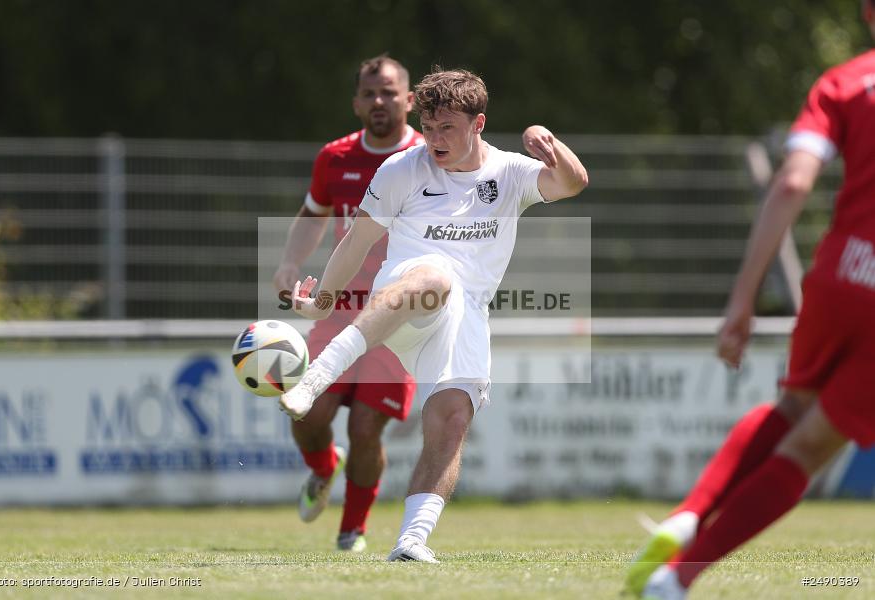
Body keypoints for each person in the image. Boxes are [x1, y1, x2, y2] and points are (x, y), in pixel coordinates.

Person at [279, 67, 588, 562]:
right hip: (405, 298)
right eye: (428, 127)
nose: (434, 139)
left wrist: (550, 142)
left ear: (478, 123)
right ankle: (316, 379)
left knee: (451, 420)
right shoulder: (402, 169)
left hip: (465, 318)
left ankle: (410, 542)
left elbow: (573, 183)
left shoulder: (510, 172)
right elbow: (356, 242)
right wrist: (321, 302)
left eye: (447, 127)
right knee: (436, 278)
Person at [628, 4, 875, 598]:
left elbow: (792, 182)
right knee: (810, 447)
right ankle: (676, 580)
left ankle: (688, 514)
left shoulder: (844, 82)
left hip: (840, 274)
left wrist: (743, 299)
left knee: (791, 407)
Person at [273, 54, 422, 553]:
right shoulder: (334, 158)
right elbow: (312, 215)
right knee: (309, 416)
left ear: (410, 98)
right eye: (369, 92)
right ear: (357, 102)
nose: (379, 100)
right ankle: (322, 466)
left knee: (365, 427)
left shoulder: (430, 155)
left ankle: (351, 532)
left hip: (399, 317)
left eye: (389, 91)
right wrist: (290, 264)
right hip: (337, 309)